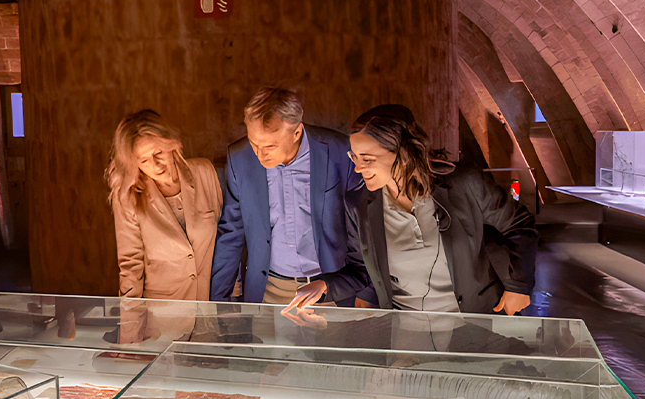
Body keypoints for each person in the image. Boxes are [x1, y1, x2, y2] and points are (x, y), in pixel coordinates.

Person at [343, 105, 536, 316]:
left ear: (403, 153)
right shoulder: (358, 203)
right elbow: (360, 266)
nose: (358, 168)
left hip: (476, 321)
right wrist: (324, 286)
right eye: (354, 157)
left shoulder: (465, 183)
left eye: (367, 159)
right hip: (405, 332)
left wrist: (517, 285)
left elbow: (519, 224)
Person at [210, 87, 369, 308]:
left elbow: (365, 228)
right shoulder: (240, 158)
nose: (259, 154)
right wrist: (218, 303)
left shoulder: (341, 151)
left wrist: (368, 293)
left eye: (270, 146)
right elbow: (231, 234)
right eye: (254, 143)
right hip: (268, 290)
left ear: (296, 132)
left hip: (331, 288)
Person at [106, 110, 222, 300]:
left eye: (158, 153)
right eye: (144, 160)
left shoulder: (204, 172)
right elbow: (131, 268)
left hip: (211, 307)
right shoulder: (128, 198)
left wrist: (232, 300)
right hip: (164, 315)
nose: (156, 165)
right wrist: (129, 326)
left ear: (170, 143)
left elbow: (225, 241)